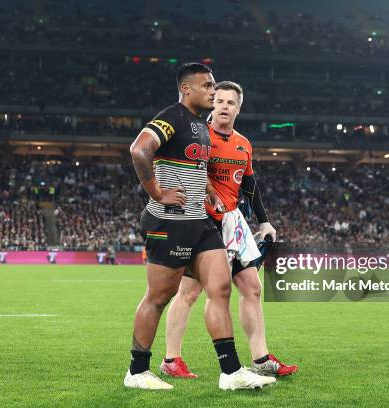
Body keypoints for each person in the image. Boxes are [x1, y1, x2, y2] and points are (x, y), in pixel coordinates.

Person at [125, 63, 275, 390]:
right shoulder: (172, 117)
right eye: (207, 86)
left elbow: (197, 168)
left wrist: (207, 191)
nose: (212, 91)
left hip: (201, 223)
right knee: (158, 297)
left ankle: (231, 372)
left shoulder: (199, 127)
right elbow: (139, 149)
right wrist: (157, 192)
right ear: (186, 89)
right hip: (170, 222)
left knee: (220, 290)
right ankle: (136, 372)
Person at [161, 81, 299, 379]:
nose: (224, 106)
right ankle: (172, 358)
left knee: (252, 287)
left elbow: (249, 185)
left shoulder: (243, 144)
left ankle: (261, 359)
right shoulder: (196, 135)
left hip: (232, 223)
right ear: (212, 105)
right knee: (189, 290)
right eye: (219, 101)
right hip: (200, 221)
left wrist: (263, 221)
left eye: (230, 102)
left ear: (239, 107)